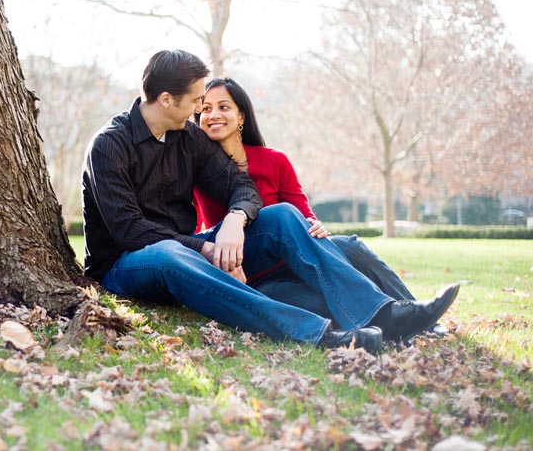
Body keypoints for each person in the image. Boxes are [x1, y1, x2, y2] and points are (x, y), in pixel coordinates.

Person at [82, 49, 458, 355]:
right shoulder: (110, 145)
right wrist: (209, 249)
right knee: (167, 252)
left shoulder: (189, 139)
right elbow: (130, 230)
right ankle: (319, 334)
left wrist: (234, 219)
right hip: (126, 264)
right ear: (166, 100)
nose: (201, 108)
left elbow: (242, 186)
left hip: (190, 252)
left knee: (280, 216)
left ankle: (382, 314)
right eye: (197, 100)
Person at [193, 77, 429, 322]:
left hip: (294, 260)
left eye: (223, 107)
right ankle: (383, 315)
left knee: (350, 246)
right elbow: (192, 230)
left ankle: (419, 315)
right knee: (290, 293)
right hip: (248, 271)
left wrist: (313, 224)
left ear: (241, 116)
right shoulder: (194, 169)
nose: (213, 115)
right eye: (206, 109)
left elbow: (303, 214)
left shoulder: (274, 160)